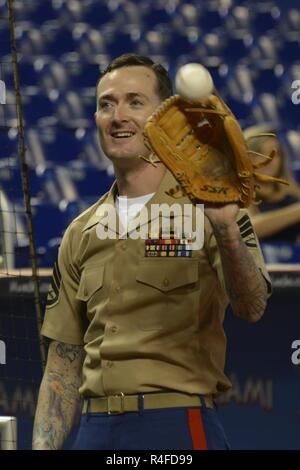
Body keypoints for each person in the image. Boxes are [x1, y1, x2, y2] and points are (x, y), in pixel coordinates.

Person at [32, 54, 271, 450]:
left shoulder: (209, 209)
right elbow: (62, 365)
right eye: (106, 104)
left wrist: (226, 227)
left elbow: (253, 306)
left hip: (177, 425)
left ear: (162, 117)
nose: (117, 115)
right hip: (94, 430)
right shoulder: (79, 232)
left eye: (134, 102)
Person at [244, 124, 300, 244]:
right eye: (259, 153)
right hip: (267, 260)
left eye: (275, 154)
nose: (269, 160)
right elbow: (251, 228)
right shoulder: (240, 191)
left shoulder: (287, 186)